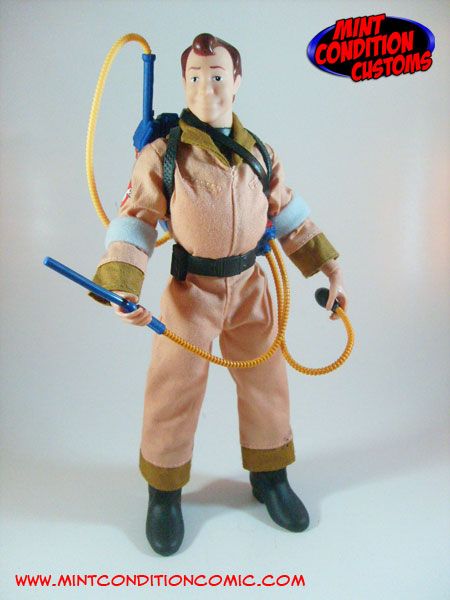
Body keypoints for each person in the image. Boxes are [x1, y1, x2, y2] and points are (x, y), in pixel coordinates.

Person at [90, 33, 347, 556]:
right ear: (183, 84)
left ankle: (270, 475)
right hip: (192, 291)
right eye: (194, 77)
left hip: (251, 287)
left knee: (267, 381)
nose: (205, 87)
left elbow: (286, 211)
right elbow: (137, 218)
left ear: (237, 81)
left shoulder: (259, 153)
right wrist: (121, 285)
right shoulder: (165, 155)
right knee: (174, 387)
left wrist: (328, 265)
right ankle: (164, 489)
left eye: (216, 76)